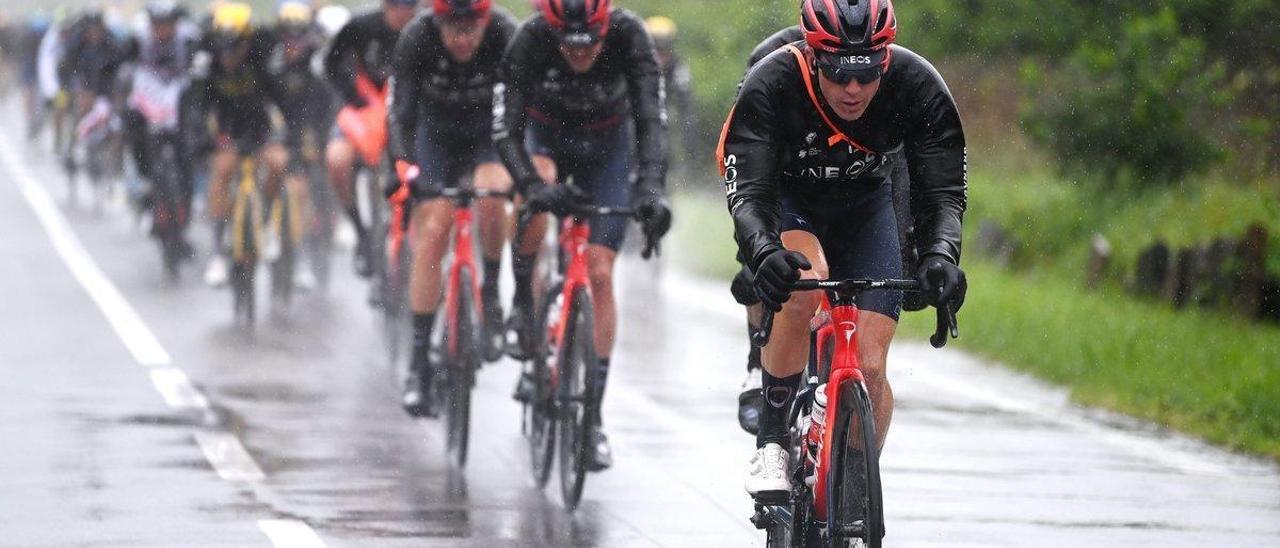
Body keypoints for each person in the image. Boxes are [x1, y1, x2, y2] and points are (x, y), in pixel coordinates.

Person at [721, 0, 968, 501]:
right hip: (790, 199)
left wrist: (940, 254)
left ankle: (851, 484)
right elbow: (748, 189)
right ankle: (772, 440)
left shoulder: (916, 83)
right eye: (837, 73)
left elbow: (940, 191)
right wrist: (762, 252)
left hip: (866, 202)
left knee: (871, 365)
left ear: (885, 59)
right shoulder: (772, 82)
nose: (853, 89)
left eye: (867, 74)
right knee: (802, 286)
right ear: (813, 56)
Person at [493, 0, 672, 471]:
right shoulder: (528, 39)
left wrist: (652, 188)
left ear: (604, 27)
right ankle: (523, 307)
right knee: (533, 197)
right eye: (568, 45)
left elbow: (652, 119)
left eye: (590, 42)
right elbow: (506, 131)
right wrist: (532, 186)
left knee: (599, 271)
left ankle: (591, 418)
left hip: (608, 150)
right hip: (545, 142)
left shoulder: (631, 35)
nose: (580, 53)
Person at [388, 0, 518, 416]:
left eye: (471, 28)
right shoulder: (417, 36)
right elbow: (400, 112)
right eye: (452, 28)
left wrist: (524, 170)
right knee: (432, 234)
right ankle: (418, 364)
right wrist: (401, 166)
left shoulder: (505, 34)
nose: (462, 38)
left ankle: (492, 291)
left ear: (486, 20)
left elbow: (524, 107)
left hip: (489, 136)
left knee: (493, 192)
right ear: (437, 22)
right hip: (435, 136)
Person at [192, 2, 291, 287]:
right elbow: (197, 105)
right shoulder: (207, 60)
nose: (228, 55)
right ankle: (218, 249)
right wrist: (202, 139)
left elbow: (283, 99)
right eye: (222, 48)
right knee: (222, 171)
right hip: (226, 129)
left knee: (278, 163)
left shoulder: (263, 57)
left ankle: (268, 222)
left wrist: (291, 135)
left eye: (234, 47)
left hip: (259, 128)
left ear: (246, 42)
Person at [322, 0, 419, 279]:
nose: (402, 11)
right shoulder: (360, 27)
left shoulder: (426, 28)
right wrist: (352, 96)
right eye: (395, 4)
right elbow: (331, 63)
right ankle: (361, 232)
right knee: (337, 159)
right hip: (365, 109)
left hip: (408, 113)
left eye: (409, 4)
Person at [269, 0, 332, 290]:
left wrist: (315, 138)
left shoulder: (318, 64)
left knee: (302, 192)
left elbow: (325, 104)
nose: (293, 41)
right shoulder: (271, 61)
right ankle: (267, 226)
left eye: (299, 34)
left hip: (310, 131)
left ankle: (304, 253)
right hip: (277, 129)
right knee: (268, 168)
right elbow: (261, 99)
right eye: (288, 34)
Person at [643, 16, 695, 176]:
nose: (660, 56)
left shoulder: (678, 68)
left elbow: (687, 107)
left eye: (664, 49)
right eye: (656, 49)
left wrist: (690, 143)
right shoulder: (635, 64)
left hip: (661, 125)